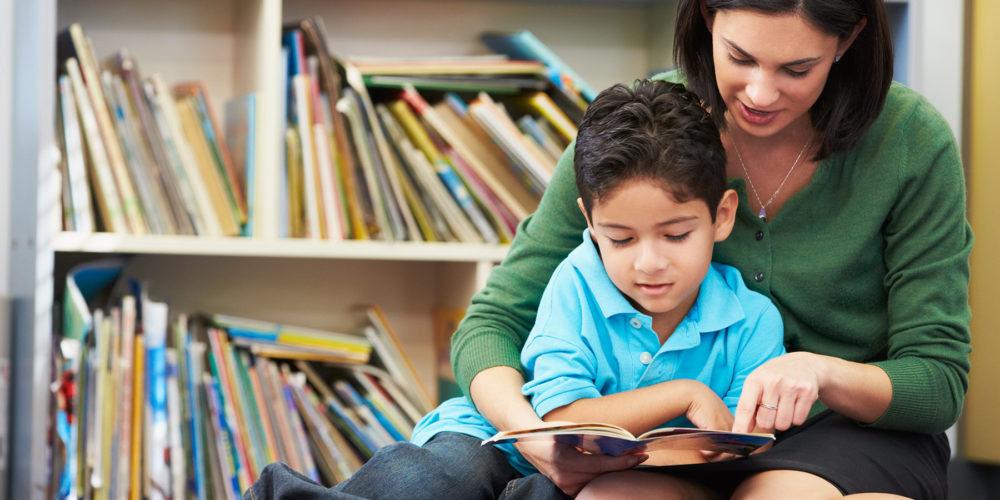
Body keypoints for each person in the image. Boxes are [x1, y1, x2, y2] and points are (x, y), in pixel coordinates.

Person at [249, 0, 972, 498]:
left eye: (797, 70)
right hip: (600, 436)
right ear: (706, 19)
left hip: (832, 432)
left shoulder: (910, 143)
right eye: (739, 57)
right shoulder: (644, 129)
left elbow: (936, 379)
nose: (758, 93)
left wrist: (820, 373)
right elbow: (493, 324)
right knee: (443, 478)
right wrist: (533, 432)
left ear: (845, 44)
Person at [409, 78, 785, 494]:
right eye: (620, 239)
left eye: (676, 235)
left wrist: (628, 464)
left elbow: (731, 450)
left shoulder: (752, 323)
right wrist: (686, 394)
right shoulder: (575, 283)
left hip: (612, 480)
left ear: (722, 216)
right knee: (428, 478)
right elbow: (562, 422)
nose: (649, 264)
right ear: (589, 222)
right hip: (498, 440)